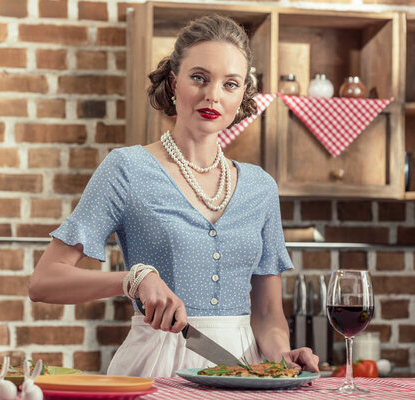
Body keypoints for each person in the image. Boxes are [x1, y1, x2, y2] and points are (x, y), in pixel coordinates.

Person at [29, 14, 319, 378]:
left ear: (243, 94)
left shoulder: (260, 188)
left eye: (230, 84)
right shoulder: (127, 169)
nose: (212, 94)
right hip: (156, 363)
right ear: (173, 81)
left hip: (243, 370)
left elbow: (266, 314)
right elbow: (43, 282)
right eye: (199, 77)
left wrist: (283, 357)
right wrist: (131, 279)